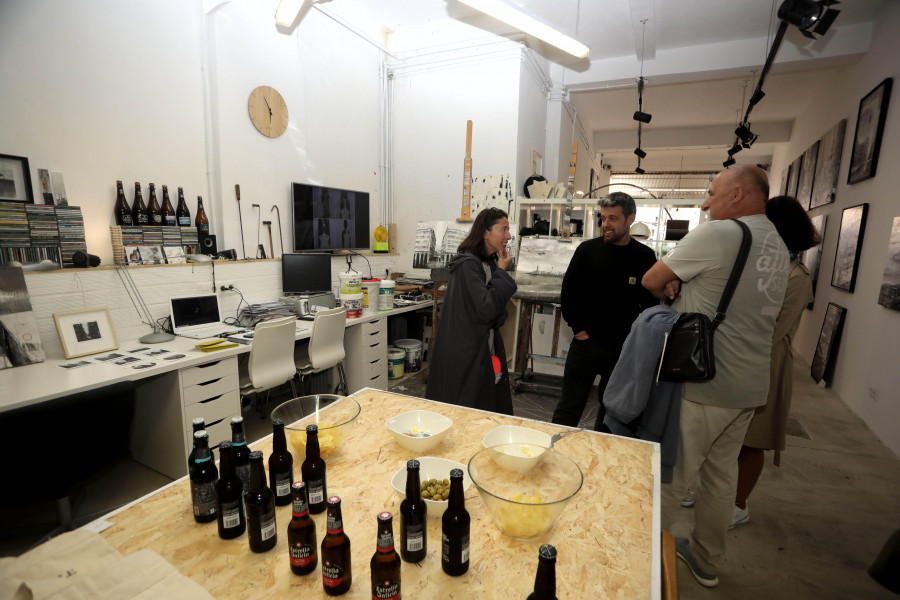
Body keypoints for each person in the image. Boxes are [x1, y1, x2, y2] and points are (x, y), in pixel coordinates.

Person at [642, 165, 790, 588]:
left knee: (672, 471)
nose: (705, 202)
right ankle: (707, 561)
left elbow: (653, 279)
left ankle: (652, 561)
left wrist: (672, 288)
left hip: (703, 381)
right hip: (748, 384)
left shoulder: (720, 234)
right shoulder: (778, 245)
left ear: (738, 193)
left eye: (711, 193)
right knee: (722, 477)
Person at [732, 195, 820, 528]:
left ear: (778, 227)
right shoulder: (762, 263)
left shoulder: (797, 276)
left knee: (752, 439)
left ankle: (738, 504)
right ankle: (715, 492)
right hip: (740, 356)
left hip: (767, 363)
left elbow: (774, 329)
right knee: (725, 436)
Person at [551, 192, 657, 431]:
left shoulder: (645, 257)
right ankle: (551, 457)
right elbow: (569, 294)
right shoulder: (587, 251)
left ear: (630, 218)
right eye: (603, 218)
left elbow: (650, 304)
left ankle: (600, 461)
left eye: (613, 218)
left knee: (611, 413)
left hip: (622, 350)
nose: (606, 224)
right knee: (568, 409)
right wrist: (579, 330)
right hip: (585, 345)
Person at [426, 207, 516, 415]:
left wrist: (498, 275)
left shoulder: (488, 263)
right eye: (503, 230)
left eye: (508, 230)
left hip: (482, 345)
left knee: (483, 405)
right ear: (485, 232)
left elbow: (497, 313)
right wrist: (501, 272)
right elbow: (487, 309)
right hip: (467, 351)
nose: (508, 236)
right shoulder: (468, 265)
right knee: (466, 407)